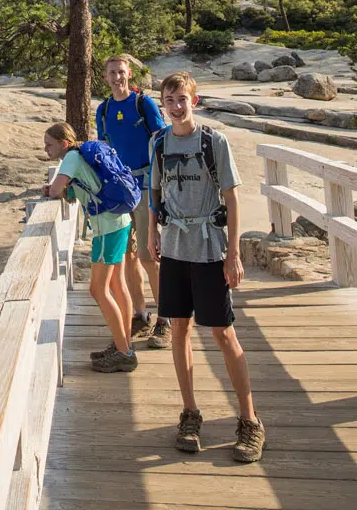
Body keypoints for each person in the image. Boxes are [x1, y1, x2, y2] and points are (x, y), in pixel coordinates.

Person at [148, 71, 265, 463]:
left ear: (193, 101)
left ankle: (249, 420)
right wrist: (152, 233)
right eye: (170, 100)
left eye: (182, 99)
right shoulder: (159, 143)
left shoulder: (215, 141)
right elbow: (155, 191)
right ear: (162, 104)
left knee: (222, 332)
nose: (176, 106)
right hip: (175, 247)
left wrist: (234, 254)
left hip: (210, 249)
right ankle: (189, 413)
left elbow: (232, 199)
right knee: (178, 328)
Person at [43, 122, 137, 373]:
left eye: (49, 145)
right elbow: (75, 191)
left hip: (107, 228)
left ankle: (125, 353)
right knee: (117, 284)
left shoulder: (71, 158)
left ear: (63, 143)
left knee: (98, 290)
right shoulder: (81, 153)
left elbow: (55, 190)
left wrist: (54, 190)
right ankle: (123, 344)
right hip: (120, 221)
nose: (46, 150)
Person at [97, 54, 171, 348]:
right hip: (118, 192)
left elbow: (163, 139)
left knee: (149, 256)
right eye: (112, 72)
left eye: (122, 72)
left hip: (145, 188)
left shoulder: (143, 104)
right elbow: (104, 149)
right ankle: (141, 315)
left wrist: (162, 185)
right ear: (105, 77)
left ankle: (166, 319)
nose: (117, 77)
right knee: (125, 257)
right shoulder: (103, 110)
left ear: (130, 75)